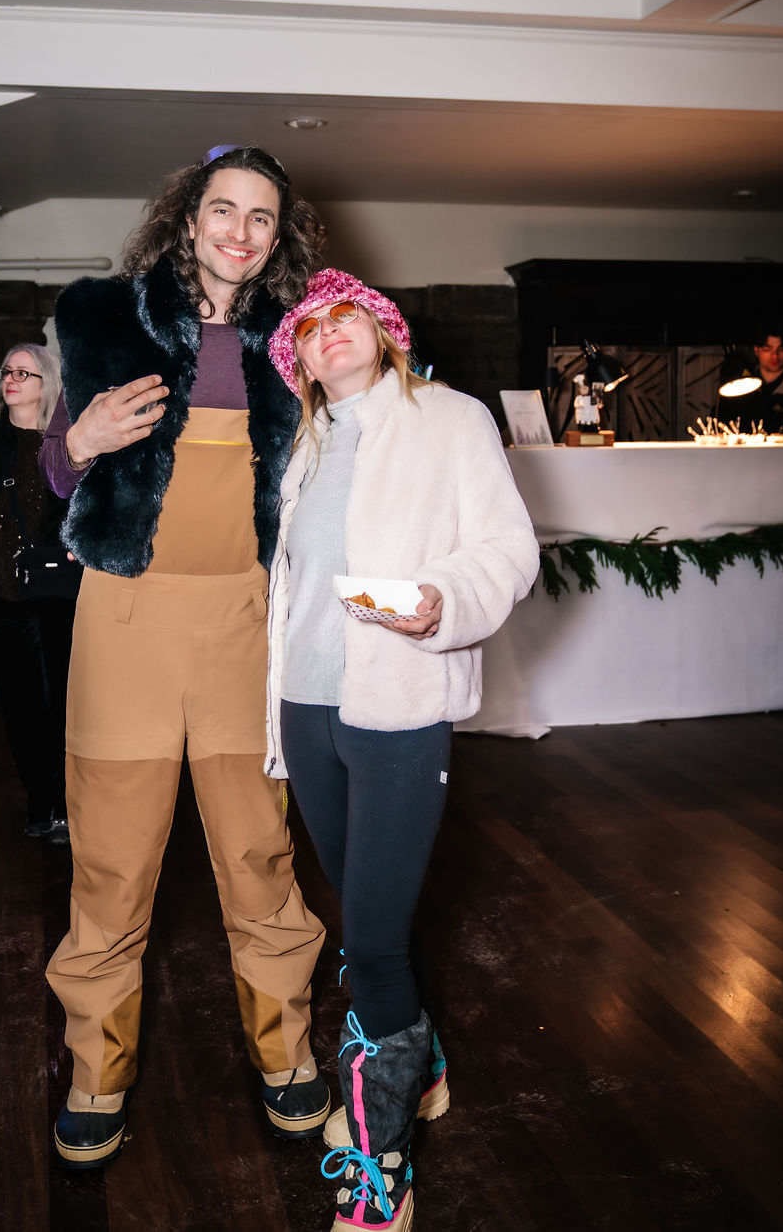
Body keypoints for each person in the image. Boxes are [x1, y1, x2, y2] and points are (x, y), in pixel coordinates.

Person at [39, 144, 330, 1167]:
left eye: (261, 216)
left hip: (247, 624)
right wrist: (79, 443)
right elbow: (55, 466)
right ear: (188, 217)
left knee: (258, 854)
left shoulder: (295, 344)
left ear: (278, 236)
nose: (239, 232)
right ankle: (97, 1068)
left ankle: (286, 1049)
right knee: (113, 862)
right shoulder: (105, 320)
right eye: (223, 209)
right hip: (124, 621)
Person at [265, 270, 540, 1230]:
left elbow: (509, 548)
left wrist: (443, 601)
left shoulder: (452, 419)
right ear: (300, 362)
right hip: (306, 708)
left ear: (383, 333)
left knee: (371, 945)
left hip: (400, 705)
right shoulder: (304, 444)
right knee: (370, 911)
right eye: (310, 329)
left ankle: (383, 1168)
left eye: (347, 316)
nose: (329, 333)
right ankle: (419, 1069)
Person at [0, 344, 78, 842]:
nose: (11, 379)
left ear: (47, 384)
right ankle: (40, 802)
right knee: (21, 709)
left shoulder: (66, 441)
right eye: (8, 371)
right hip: (3, 596)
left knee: (63, 703)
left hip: (57, 595)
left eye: (24, 373)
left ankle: (69, 805)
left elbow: (84, 505)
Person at [716, 329, 783, 433]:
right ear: (756, 350)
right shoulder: (739, 385)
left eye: (781, 349)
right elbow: (719, 423)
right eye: (767, 349)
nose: (775, 356)